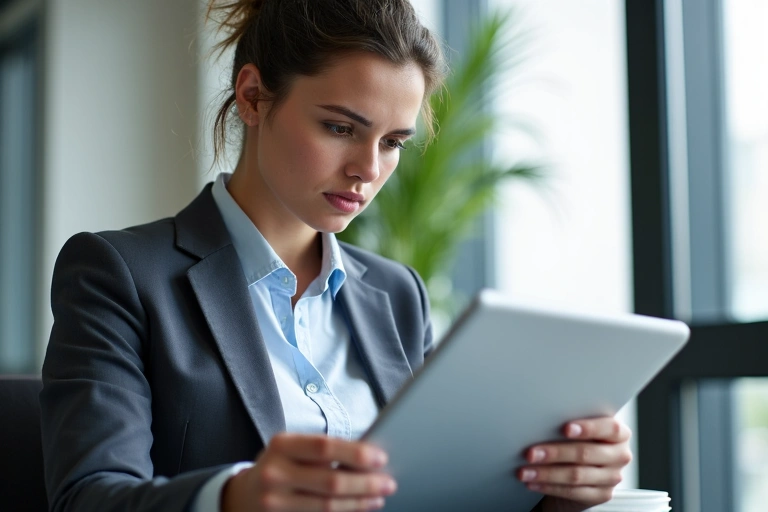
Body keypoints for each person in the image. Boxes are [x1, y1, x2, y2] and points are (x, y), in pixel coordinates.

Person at [39, 0, 632, 511]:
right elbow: (88, 497)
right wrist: (232, 498)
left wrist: (554, 490)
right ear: (252, 97)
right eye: (340, 127)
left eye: (393, 142)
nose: (368, 171)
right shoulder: (119, 274)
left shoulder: (398, 295)